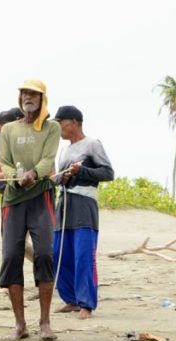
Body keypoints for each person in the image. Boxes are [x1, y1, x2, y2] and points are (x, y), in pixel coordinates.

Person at [0, 80, 60, 341]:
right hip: (13, 200)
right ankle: (20, 324)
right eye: (24, 94)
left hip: (41, 196)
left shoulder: (51, 127)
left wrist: (34, 174)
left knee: (44, 254)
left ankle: (45, 321)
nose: (28, 98)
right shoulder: (9, 129)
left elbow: (48, 159)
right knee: (12, 257)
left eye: (33, 94)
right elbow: (4, 161)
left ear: (42, 98)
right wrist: (15, 177)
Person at [52, 105, 114, 320]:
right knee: (60, 253)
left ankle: (86, 303)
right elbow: (60, 177)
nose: (58, 128)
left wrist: (82, 171)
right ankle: (71, 300)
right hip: (65, 203)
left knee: (83, 254)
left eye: (61, 123)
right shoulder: (64, 150)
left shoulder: (92, 144)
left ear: (74, 122)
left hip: (84, 204)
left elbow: (108, 172)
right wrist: (62, 177)